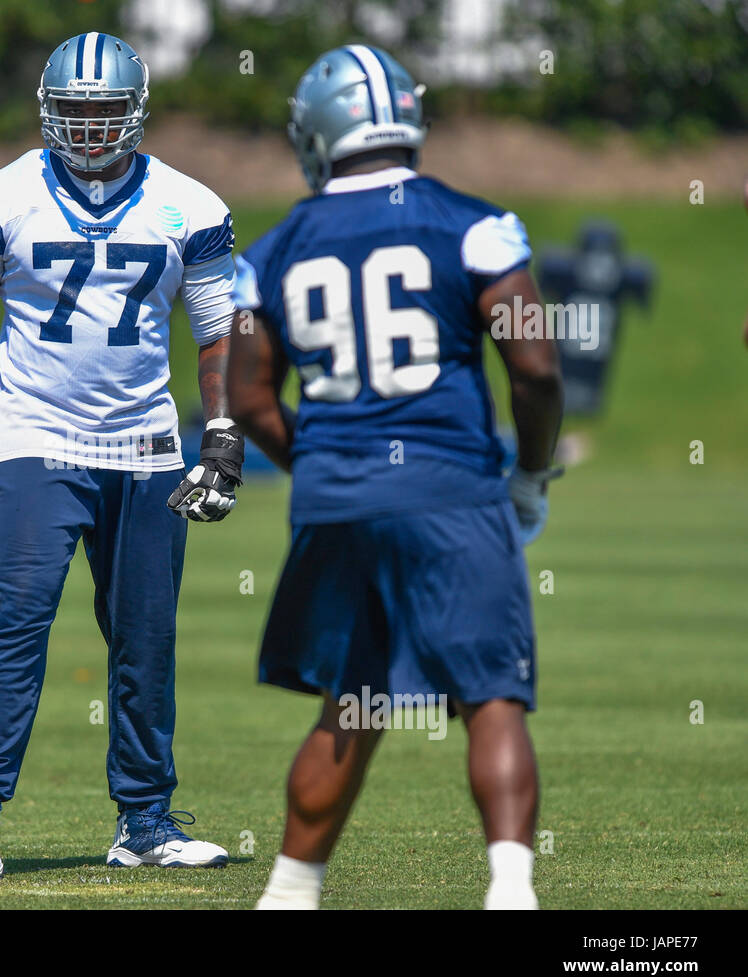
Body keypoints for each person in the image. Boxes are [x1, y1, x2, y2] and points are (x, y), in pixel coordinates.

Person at [227, 45, 564, 910]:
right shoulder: (475, 225)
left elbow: (250, 400)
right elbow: (533, 364)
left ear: (322, 134)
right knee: (490, 694)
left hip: (337, 501)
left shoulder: (271, 251)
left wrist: (334, 470)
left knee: (355, 702)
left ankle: (289, 895)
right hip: (450, 487)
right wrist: (529, 470)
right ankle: (511, 892)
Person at [0, 32, 243, 878]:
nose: (91, 130)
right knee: (18, 624)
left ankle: (145, 820)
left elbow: (219, 333)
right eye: (75, 113)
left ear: (135, 111)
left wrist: (222, 436)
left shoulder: (191, 206)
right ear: (46, 111)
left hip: (146, 444)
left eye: (105, 113)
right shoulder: (0, 197)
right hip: (36, 440)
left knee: (145, 636)